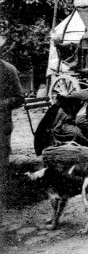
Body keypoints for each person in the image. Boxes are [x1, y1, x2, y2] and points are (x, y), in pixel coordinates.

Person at [0, 37, 24, 210]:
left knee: (1, 163)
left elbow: (19, 98)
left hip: (1, 124)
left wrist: (2, 104)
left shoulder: (8, 70)